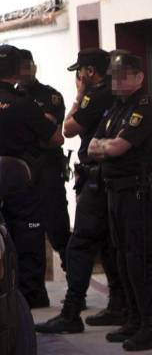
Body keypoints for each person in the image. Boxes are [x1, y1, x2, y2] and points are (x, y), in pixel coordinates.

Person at [35, 48, 126, 334]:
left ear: (88, 71)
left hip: (98, 180)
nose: (79, 76)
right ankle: (118, 304)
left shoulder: (94, 95)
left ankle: (72, 311)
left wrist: (77, 96)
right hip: (107, 178)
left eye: (80, 70)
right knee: (109, 245)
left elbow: (69, 128)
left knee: (80, 244)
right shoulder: (112, 95)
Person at [88, 50, 152, 351]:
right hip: (115, 192)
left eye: (123, 76)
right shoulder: (115, 109)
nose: (116, 81)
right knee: (122, 258)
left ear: (139, 77)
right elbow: (92, 146)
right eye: (114, 76)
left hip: (137, 195)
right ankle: (133, 320)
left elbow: (118, 148)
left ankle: (151, 328)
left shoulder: (144, 109)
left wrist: (107, 146)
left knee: (140, 261)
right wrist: (106, 146)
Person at [0, 44, 64, 308]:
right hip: (20, 180)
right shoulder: (24, 104)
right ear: (16, 71)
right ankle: (30, 296)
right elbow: (56, 137)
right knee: (28, 236)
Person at [16, 49, 71, 272]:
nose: (24, 72)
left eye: (27, 67)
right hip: (22, 172)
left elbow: (51, 135)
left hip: (48, 170)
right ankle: (33, 291)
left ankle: (75, 287)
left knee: (58, 229)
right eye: (19, 68)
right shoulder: (10, 97)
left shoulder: (50, 96)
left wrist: (23, 132)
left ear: (34, 68)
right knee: (27, 231)